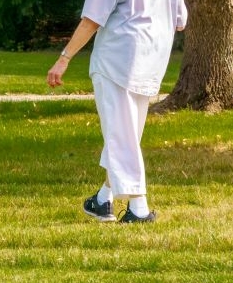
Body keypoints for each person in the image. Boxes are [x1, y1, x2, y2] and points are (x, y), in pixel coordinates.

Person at [48, 0, 187, 223]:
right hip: (152, 59)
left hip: (118, 57)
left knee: (121, 137)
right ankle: (103, 200)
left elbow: (92, 19)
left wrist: (64, 58)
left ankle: (139, 208)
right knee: (125, 134)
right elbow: (181, 21)